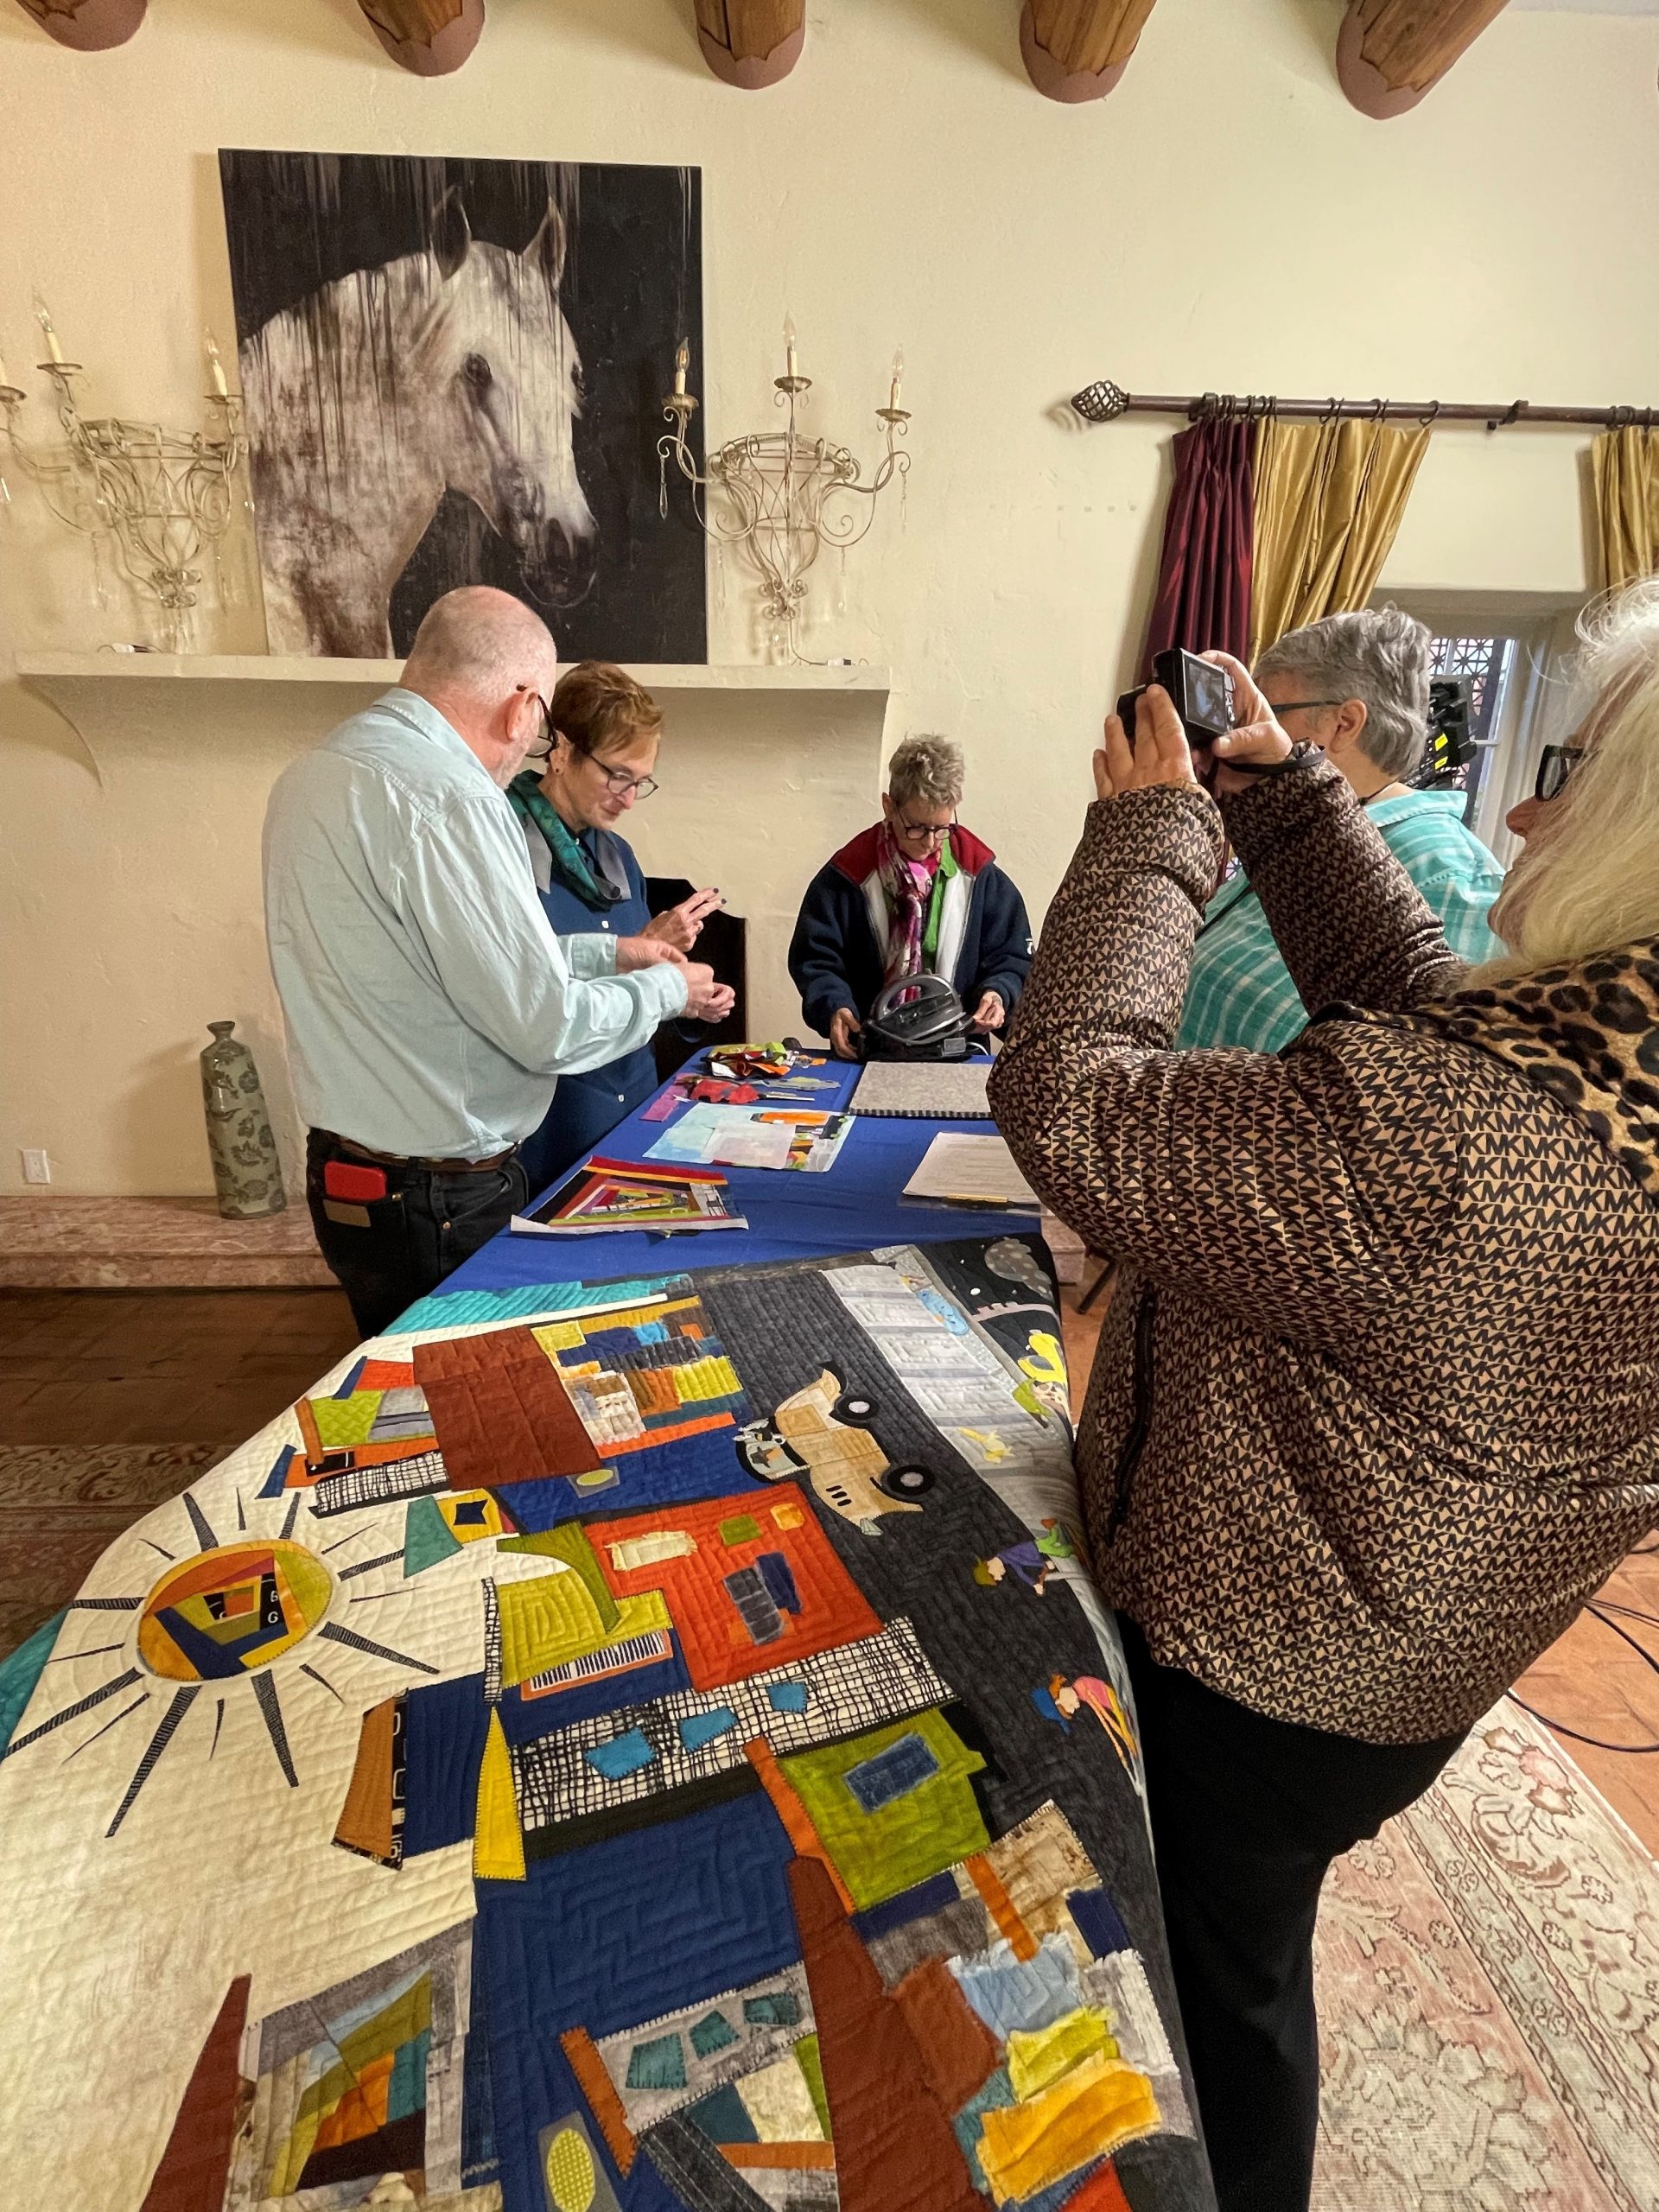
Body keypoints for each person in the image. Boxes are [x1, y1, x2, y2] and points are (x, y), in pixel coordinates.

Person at [989, 586, 1659, 2212]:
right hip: (1413, 1627)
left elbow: (1071, 1098)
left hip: (1276, 1660)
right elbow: (1420, 1007)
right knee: (1245, 1941)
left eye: (1580, 774)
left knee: (1220, 1989)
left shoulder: (1470, 1145)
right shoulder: (1603, 1060)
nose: (1522, 805)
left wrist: (1149, 839)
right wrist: (1281, 792)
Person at [264, 588, 733, 1339]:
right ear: (524, 709)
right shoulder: (454, 799)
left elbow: (444, 969)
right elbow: (544, 1027)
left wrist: (612, 952)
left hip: (352, 1178)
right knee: (478, 1413)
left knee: (407, 1396)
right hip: (440, 1197)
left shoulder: (318, 771)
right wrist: (665, 987)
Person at [1179, 607, 1503, 1052]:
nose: (1245, 728)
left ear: (1344, 724)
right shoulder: (1293, 826)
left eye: (1270, 711)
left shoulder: (1452, 874)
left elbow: (1429, 1077)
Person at [506, 660, 722, 1196]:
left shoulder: (618, 855)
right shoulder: (504, 845)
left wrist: (685, 996)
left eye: (640, 781)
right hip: (549, 1134)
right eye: (617, 774)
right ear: (561, 751)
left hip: (628, 1118)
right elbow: (519, 992)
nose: (628, 797)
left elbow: (632, 998)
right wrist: (636, 959)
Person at [788, 734, 1033, 1058]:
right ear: (889, 806)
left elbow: (1013, 956)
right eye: (916, 828)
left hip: (957, 1050)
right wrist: (835, 1006)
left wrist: (999, 992)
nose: (931, 842)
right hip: (869, 1048)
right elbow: (816, 959)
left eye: (942, 827)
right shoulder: (848, 876)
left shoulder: (979, 876)